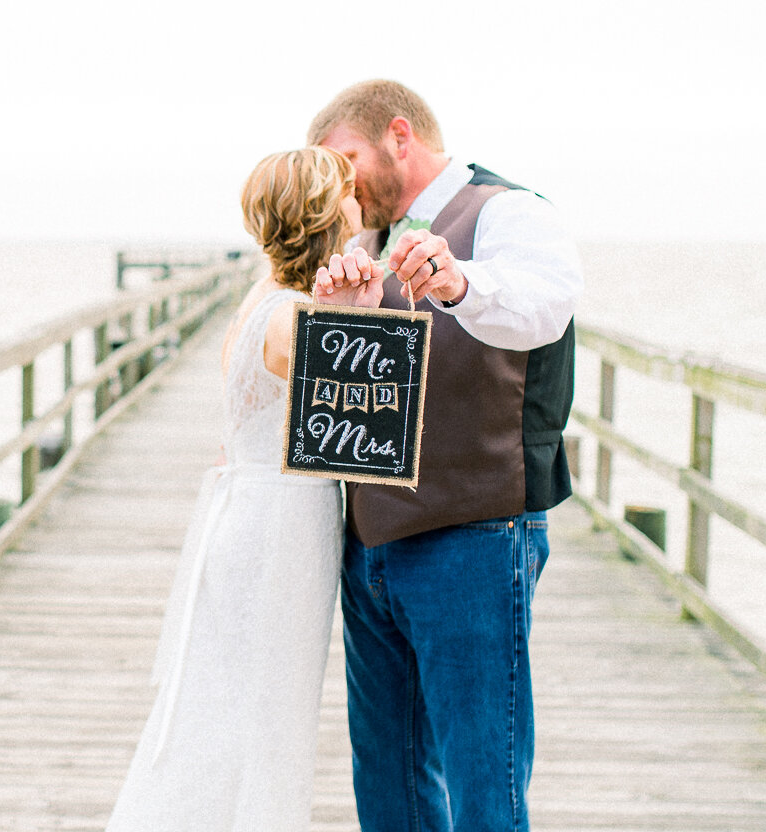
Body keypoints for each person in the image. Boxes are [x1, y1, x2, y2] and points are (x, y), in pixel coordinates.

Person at [308, 80, 583, 832]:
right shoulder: (363, 244)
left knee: (482, 792)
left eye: (345, 159)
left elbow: (543, 302)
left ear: (400, 136)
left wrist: (461, 283)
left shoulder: (507, 212)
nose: (338, 183)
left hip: (476, 538)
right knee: (389, 788)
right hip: (369, 546)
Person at [105, 147, 375, 831]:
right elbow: (368, 414)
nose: (359, 202)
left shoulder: (270, 300)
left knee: (235, 702)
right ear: (323, 214)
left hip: (261, 514)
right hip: (279, 530)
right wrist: (363, 317)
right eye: (348, 191)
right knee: (263, 712)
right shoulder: (291, 319)